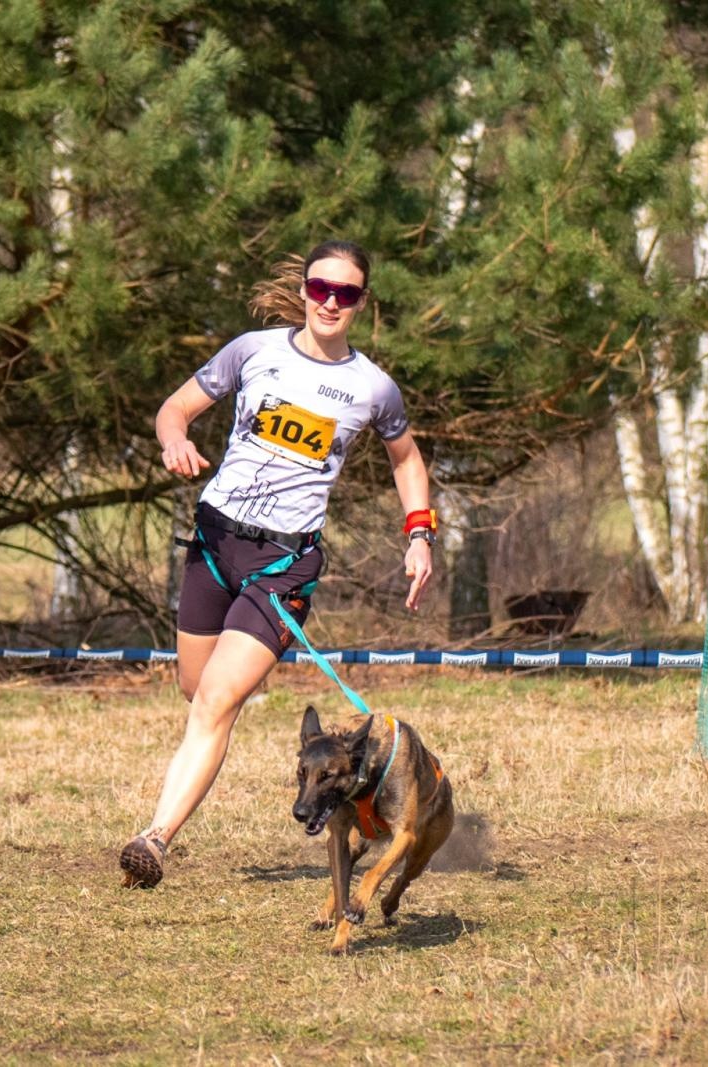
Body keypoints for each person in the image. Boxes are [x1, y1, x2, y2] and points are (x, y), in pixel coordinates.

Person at [119, 240, 438, 889]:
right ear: (303, 289)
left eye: (346, 293)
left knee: (213, 703)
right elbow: (175, 409)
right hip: (213, 544)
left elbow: (406, 459)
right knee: (195, 689)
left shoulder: (371, 386)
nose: (330, 300)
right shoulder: (252, 350)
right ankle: (222, 711)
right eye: (321, 286)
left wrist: (420, 535)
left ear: (360, 303)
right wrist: (175, 440)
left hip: (283, 562)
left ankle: (154, 839)